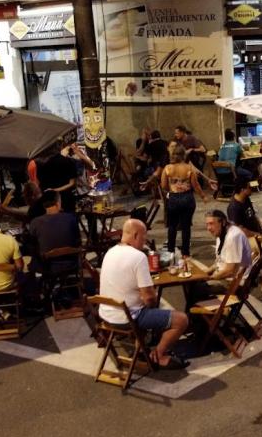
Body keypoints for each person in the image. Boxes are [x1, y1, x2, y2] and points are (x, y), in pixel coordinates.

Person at [99, 218, 189, 369]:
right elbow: (149, 298)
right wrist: (152, 305)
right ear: (135, 235)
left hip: (106, 314)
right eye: (143, 237)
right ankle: (158, 354)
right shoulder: (138, 257)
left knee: (149, 308)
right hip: (126, 318)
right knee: (181, 320)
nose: (145, 241)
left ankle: (142, 346)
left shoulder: (110, 252)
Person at [186, 210, 252, 309]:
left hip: (234, 284)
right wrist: (204, 273)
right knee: (192, 282)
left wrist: (210, 278)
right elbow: (219, 262)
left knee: (197, 289)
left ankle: (196, 320)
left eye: (212, 224)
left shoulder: (233, 237)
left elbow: (230, 271)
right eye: (207, 224)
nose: (208, 228)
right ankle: (199, 318)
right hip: (227, 278)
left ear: (223, 222)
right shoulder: (222, 234)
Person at [161, 147, 206, 258]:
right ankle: (185, 252)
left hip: (173, 199)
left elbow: (163, 186)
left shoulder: (167, 168)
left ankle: (171, 251)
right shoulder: (189, 168)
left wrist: (172, 189)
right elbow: (196, 185)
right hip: (187, 199)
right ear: (184, 156)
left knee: (172, 226)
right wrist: (203, 196)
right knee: (186, 227)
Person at [26, 190, 81, 273]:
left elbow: (32, 245)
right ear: (58, 203)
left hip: (47, 266)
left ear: (44, 205)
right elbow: (78, 241)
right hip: (71, 263)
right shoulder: (71, 218)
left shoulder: (35, 222)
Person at [37, 143, 79, 213]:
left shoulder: (45, 162)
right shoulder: (70, 162)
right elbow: (72, 183)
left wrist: (51, 190)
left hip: (50, 198)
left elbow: (40, 180)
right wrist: (55, 190)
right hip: (66, 198)